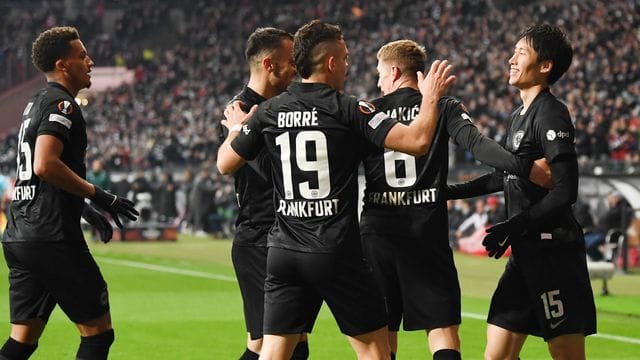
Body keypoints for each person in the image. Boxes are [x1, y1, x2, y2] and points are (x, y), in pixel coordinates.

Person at [218, 19, 455, 360]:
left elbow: (224, 163)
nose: (347, 64)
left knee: (272, 354)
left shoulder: (269, 111)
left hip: (283, 253)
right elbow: (417, 141)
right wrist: (430, 98)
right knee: (376, 350)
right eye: (344, 58)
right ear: (330, 63)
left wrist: (237, 129)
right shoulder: (349, 109)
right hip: (334, 250)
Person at [359, 39, 550, 360]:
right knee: (443, 333)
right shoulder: (444, 106)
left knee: (381, 341)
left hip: (377, 235)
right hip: (425, 233)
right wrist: (527, 168)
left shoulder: (367, 111)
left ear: (393, 71)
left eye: (380, 73)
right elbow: (478, 145)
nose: (378, 82)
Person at [447, 24, 596, 359]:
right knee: (496, 354)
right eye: (513, 52)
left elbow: (565, 191)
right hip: (525, 254)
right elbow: (505, 177)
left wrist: (514, 226)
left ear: (545, 66)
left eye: (521, 53)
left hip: (553, 254)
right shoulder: (518, 116)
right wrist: (444, 192)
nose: (511, 59)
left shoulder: (552, 113)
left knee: (567, 355)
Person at [1, 26, 139, 360]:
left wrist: (80, 207)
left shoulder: (36, 102)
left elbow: (40, 177)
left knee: (22, 340)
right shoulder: (61, 104)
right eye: (82, 56)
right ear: (63, 65)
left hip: (22, 235)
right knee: (97, 335)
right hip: (51, 238)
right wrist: (100, 196)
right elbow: (45, 165)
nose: (90, 62)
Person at [220, 27, 310, 360]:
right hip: (259, 239)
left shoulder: (278, 105)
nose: (297, 69)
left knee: (292, 344)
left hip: (283, 238)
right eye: (290, 62)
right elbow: (264, 168)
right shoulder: (243, 109)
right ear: (270, 64)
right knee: (268, 347)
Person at [584, 191, 632, 261]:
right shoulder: (615, 208)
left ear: (616, 198)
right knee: (581, 242)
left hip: (606, 235)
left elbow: (611, 220)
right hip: (598, 233)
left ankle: (599, 259)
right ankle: (599, 259)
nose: (609, 200)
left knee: (585, 245)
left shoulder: (622, 209)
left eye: (610, 198)